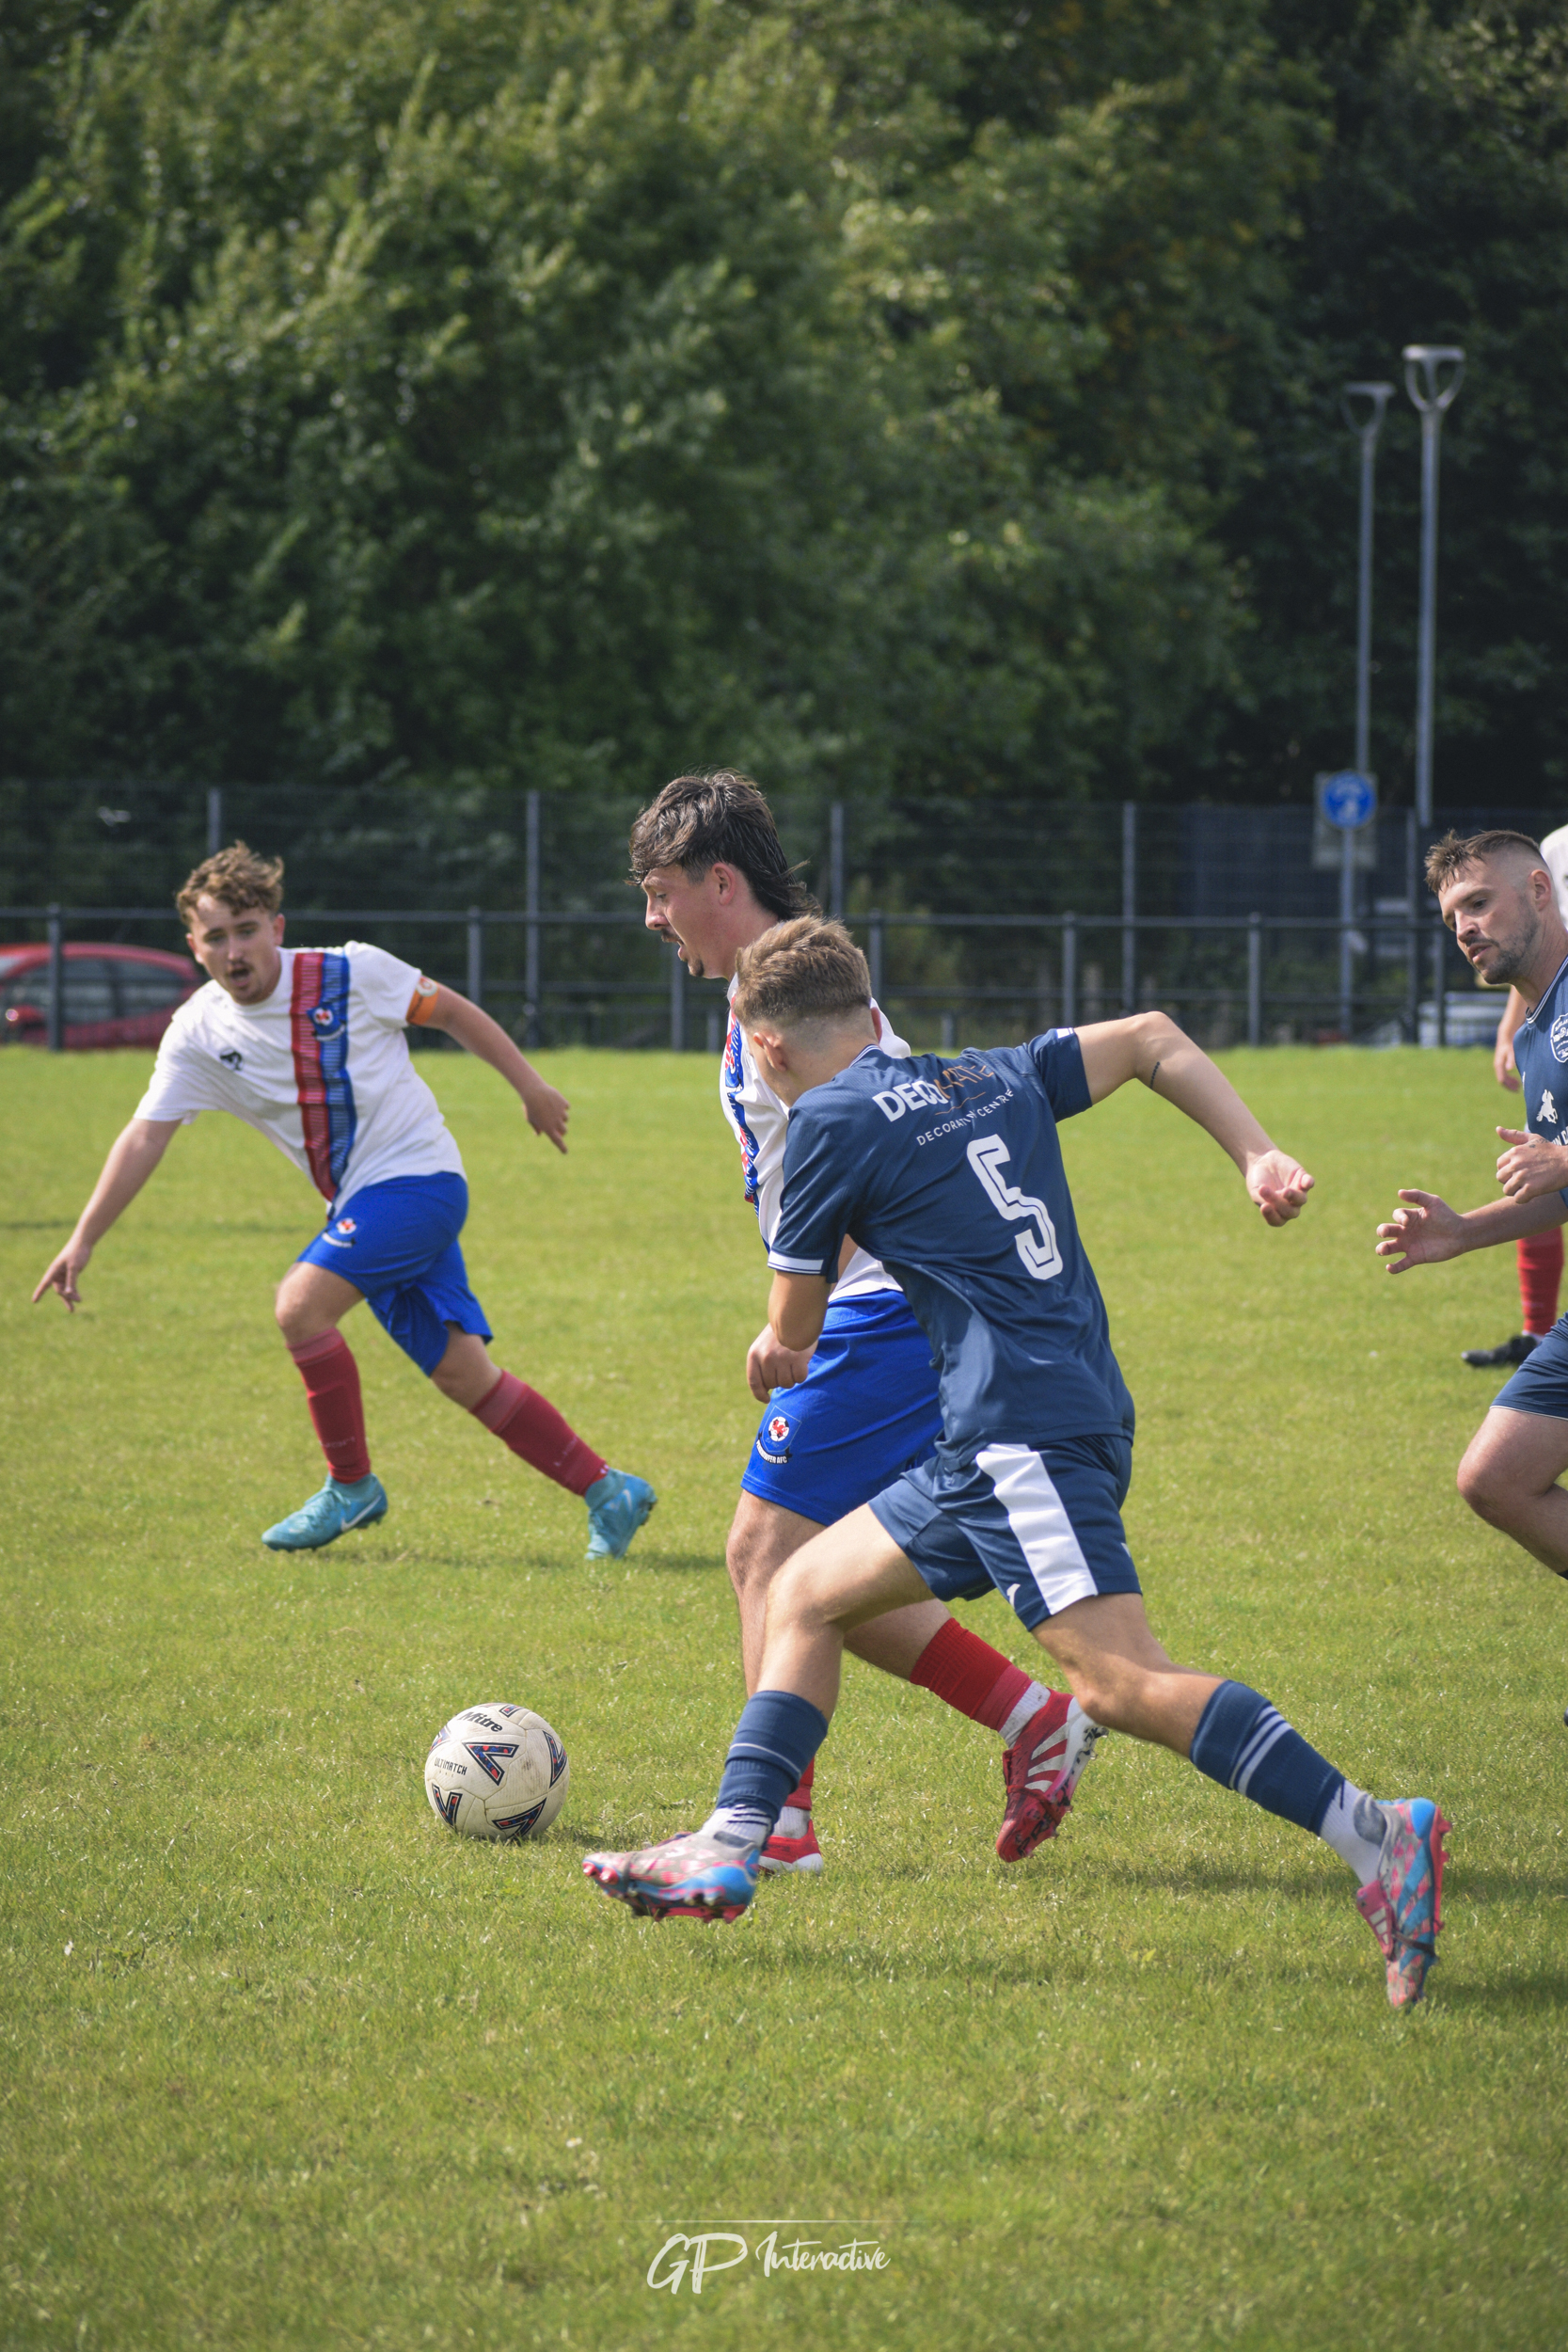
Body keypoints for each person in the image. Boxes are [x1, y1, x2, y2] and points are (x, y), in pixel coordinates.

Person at [585, 918, 1449, 2010]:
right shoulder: (985, 1073)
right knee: (802, 1587)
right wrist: (1254, 1152)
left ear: (764, 1050)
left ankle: (1374, 1832)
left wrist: (771, 1348)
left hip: (1016, 1434)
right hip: (1039, 1414)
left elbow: (792, 1328)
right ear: (867, 1008)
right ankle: (732, 1837)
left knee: (1120, 1680)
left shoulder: (824, 1125)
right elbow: (1146, 1037)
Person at [629, 774, 1101, 1876]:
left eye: (659, 893)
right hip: (882, 1302)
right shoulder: (777, 978)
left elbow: (866, 1153)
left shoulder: (789, 995)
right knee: (822, 1573)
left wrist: (798, 1316)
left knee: (761, 1549)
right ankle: (1033, 1717)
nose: (650, 918)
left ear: (719, 881)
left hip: (879, 1306)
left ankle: (773, 1821)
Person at [33, 842, 656, 1560]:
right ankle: (608, 1491)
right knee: (461, 1372)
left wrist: (531, 1087)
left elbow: (450, 1012)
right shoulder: (197, 1032)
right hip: (360, 1204)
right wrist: (82, 1239)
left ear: (277, 927)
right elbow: (146, 1136)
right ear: (193, 946)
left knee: (299, 1306)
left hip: (420, 1183)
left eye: (247, 929)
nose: (235, 950)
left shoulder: (350, 971)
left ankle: (351, 1486)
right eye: (216, 937)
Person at [1378, 829, 1568, 1628]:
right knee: (1493, 1477)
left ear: (1537, 890)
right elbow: (1556, 1190)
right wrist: (1460, 1233)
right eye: (1452, 915)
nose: (1463, 928)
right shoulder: (1533, 1031)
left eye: (1478, 903)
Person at [1464, 822, 1568, 1369]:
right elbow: (1533, 952)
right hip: (1550, 1024)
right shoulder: (1555, 846)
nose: (1463, 930)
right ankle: (1537, 1329)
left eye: (1478, 903)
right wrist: (1518, 1028)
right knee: (1542, 1170)